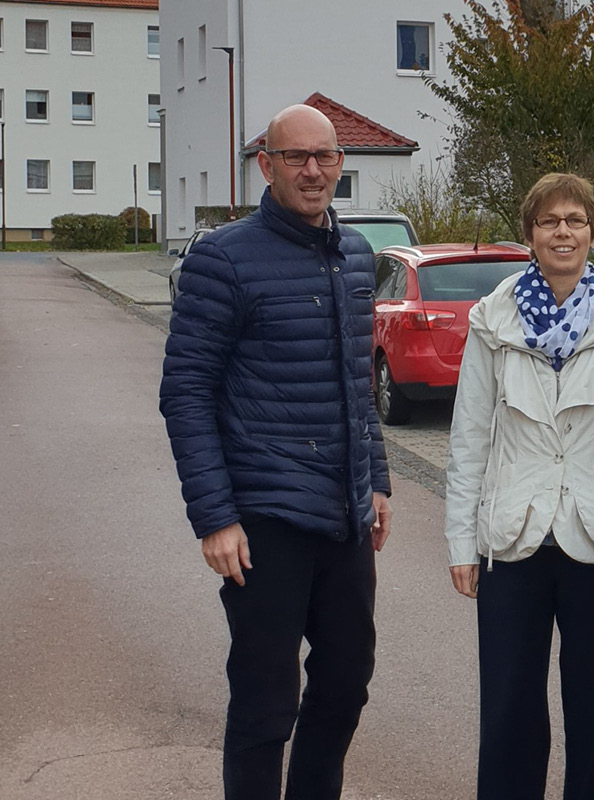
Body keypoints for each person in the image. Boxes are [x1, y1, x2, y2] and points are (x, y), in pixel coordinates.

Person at [159, 103, 392, 800]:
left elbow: (359, 378)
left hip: (343, 518)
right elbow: (186, 393)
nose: (312, 170)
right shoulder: (223, 259)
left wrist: (375, 478)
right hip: (263, 520)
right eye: (296, 157)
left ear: (341, 164)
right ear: (267, 165)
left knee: (347, 686)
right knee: (265, 705)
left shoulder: (355, 256)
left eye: (324, 156)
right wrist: (214, 517)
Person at [442, 173, 594, 800]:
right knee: (508, 707)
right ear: (529, 234)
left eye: (575, 220)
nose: (563, 232)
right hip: (515, 540)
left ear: (591, 231)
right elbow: (469, 436)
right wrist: (461, 540)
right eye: (549, 221)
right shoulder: (493, 320)